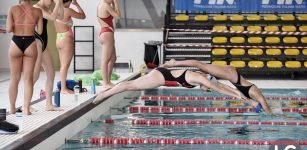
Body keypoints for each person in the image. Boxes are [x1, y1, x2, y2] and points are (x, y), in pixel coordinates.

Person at [163, 59, 272, 114]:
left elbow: (225, 88)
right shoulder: (255, 93)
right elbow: (264, 103)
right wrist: (269, 114)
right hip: (232, 74)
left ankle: (203, 76)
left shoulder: (251, 94)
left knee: (208, 78)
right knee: (200, 65)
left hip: (232, 76)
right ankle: (175, 63)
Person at [93, 67, 248, 104]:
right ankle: (103, 94)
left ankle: (107, 90)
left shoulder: (202, 77)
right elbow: (217, 87)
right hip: (161, 77)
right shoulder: (201, 79)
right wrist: (236, 95)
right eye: (207, 88)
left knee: (129, 84)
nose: (207, 90)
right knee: (129, 86)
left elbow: (220, 86)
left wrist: (236, 92)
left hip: (162, 74)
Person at [6, 0, 43, 115]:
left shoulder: (13, 8)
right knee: (28, 79)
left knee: (14, 78)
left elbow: (8, 29)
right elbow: (40, 32)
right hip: (30, 43)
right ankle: (26, 108)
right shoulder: (38, 11)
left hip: (15, 42)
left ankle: (12, 108)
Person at [33, 0, 64, 111]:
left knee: (51, 73)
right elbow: (52, 18)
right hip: (36, 42)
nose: (51, 2)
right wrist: (58, 2)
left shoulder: (46, 8)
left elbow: (60, 16)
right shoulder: (37, 8)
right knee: (35, 76)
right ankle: (25, 105)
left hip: (44, 43)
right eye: (50, 0)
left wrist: (59, 4)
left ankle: (48, 104)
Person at [54, 0, 85, 94]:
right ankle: (63, 88)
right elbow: (83, 16)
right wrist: (77, 4)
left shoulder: (56, 10)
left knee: (63, 66)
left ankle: (63, 87)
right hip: (66, 39)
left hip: (58, 38)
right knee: (65, 66)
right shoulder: (68, 10)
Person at [97, 0, 121, 91]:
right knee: (105, 60)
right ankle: (105, 83)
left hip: (106, 32)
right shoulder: (105, 5)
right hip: (107, 34)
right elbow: (118, 16)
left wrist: (114, 4)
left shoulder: (103, 5)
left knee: (113, 58)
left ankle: (108, 81)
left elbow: (114, 14)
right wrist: (116, 3)